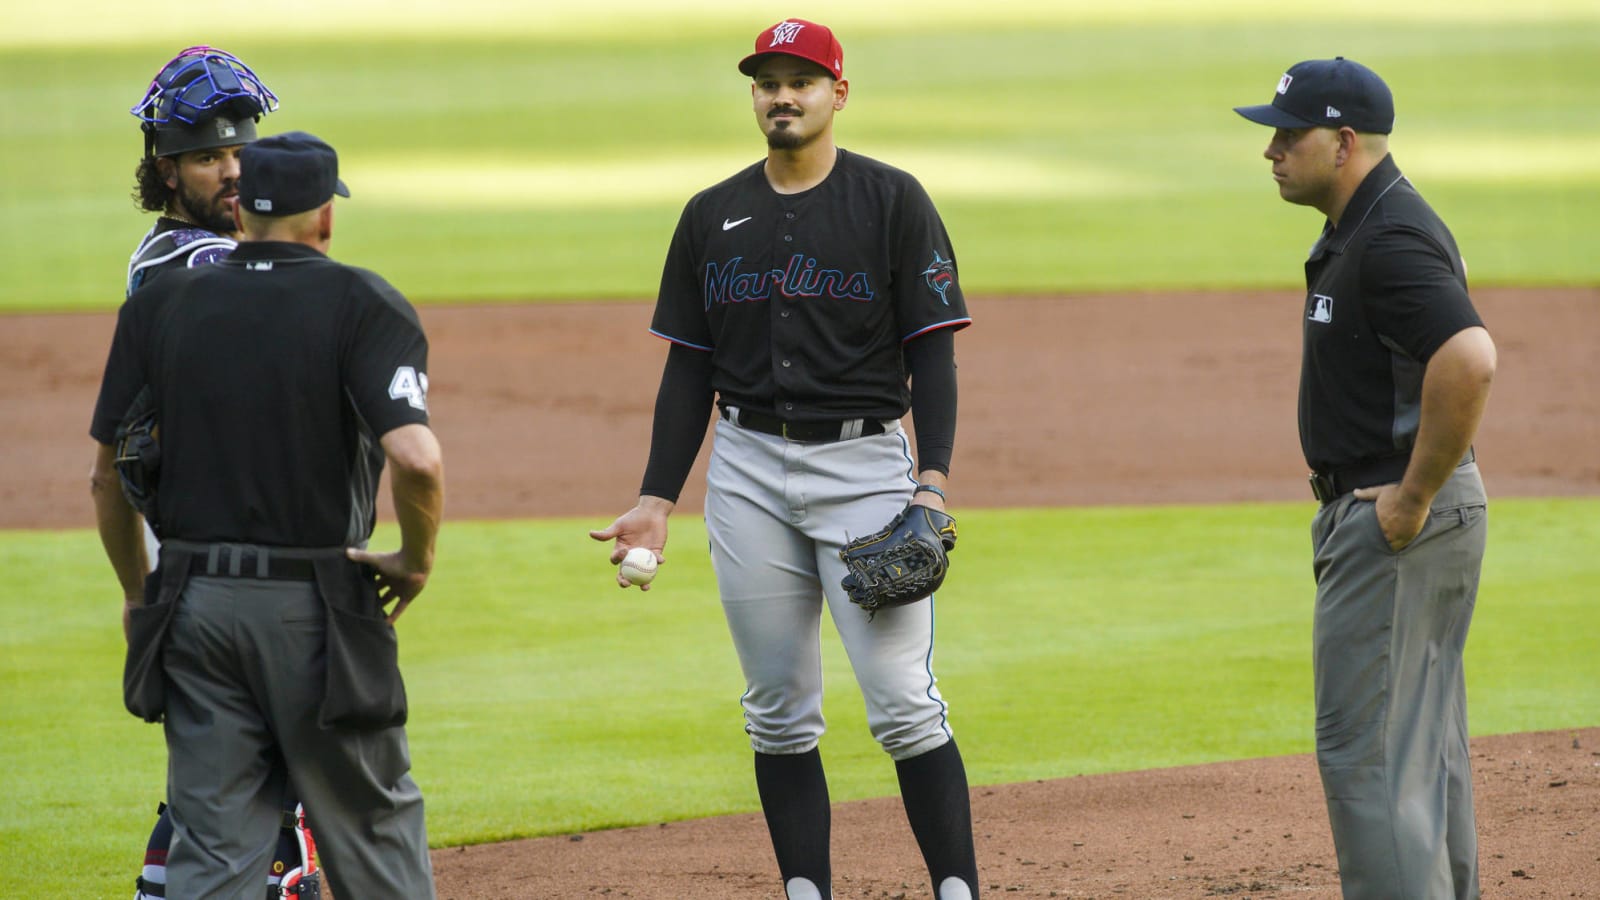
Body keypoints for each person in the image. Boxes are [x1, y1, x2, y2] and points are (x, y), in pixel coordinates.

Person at [590, 19, 979, 900]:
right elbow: (690, 367)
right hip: (748, 469)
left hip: (867, 471)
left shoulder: (892, 200)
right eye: (767, 81)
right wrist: (656, 496)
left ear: (838, 93)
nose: (782, 95)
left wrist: (933, 481)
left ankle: (959, 892)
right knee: (777, 712)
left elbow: (933, 353)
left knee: (904, 705)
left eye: (801, 80)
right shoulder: (709, 214)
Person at [90, 131, 443, 898]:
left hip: (193, 603)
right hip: (316, 608)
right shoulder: (363, 302)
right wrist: (414, 560)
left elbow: (108, 477)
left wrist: (137, 591)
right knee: (372, 830)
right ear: (324, 217)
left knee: (214, 850)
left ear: (242, 211)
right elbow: (417, 458)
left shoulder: (161, 304)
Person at [1234, 58, 1496, 898]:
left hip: (1397, 518)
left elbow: (1470, 356)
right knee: (1419, 749)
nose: (1271, 149)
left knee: (1369, 756)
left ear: (1344, 141)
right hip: (1416, 515)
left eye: (1288, 132)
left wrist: (1413, 496)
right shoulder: (1372, 224)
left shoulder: (1387, 238)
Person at [121, 45, 321, 899]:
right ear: (166, 170)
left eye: (242, 151)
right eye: (209, 157)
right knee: (269, 783)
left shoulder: (185, 254)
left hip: (225, 568)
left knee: (232, 780)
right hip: (230, 571)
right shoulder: (188, 264)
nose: (233, 171)